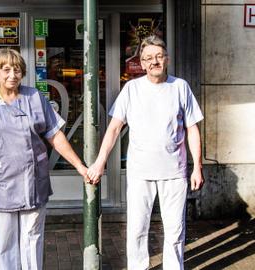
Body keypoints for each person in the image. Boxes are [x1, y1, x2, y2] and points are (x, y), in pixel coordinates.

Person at [0, 48, 88, 270]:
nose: (12, 75)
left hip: (32, 182)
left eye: (17, 70)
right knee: (6, 241)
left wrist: (80, 166)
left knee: (33, 237)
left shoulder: (35, 97)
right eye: (6, 69)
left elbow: (55, 136)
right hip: (0, 184)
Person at [86, 35, 204, 270]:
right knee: (137, 229)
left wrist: (197, 167)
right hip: (140, 171)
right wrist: (99, 163)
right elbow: (114, 129)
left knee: (174, 230)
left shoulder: (180, 87)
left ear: (167, 59)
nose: (154, 62)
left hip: (174, 171)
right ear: (141, 63)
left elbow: (192, 129)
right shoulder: (132, 88)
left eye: (159, 56)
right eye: (148, 58)